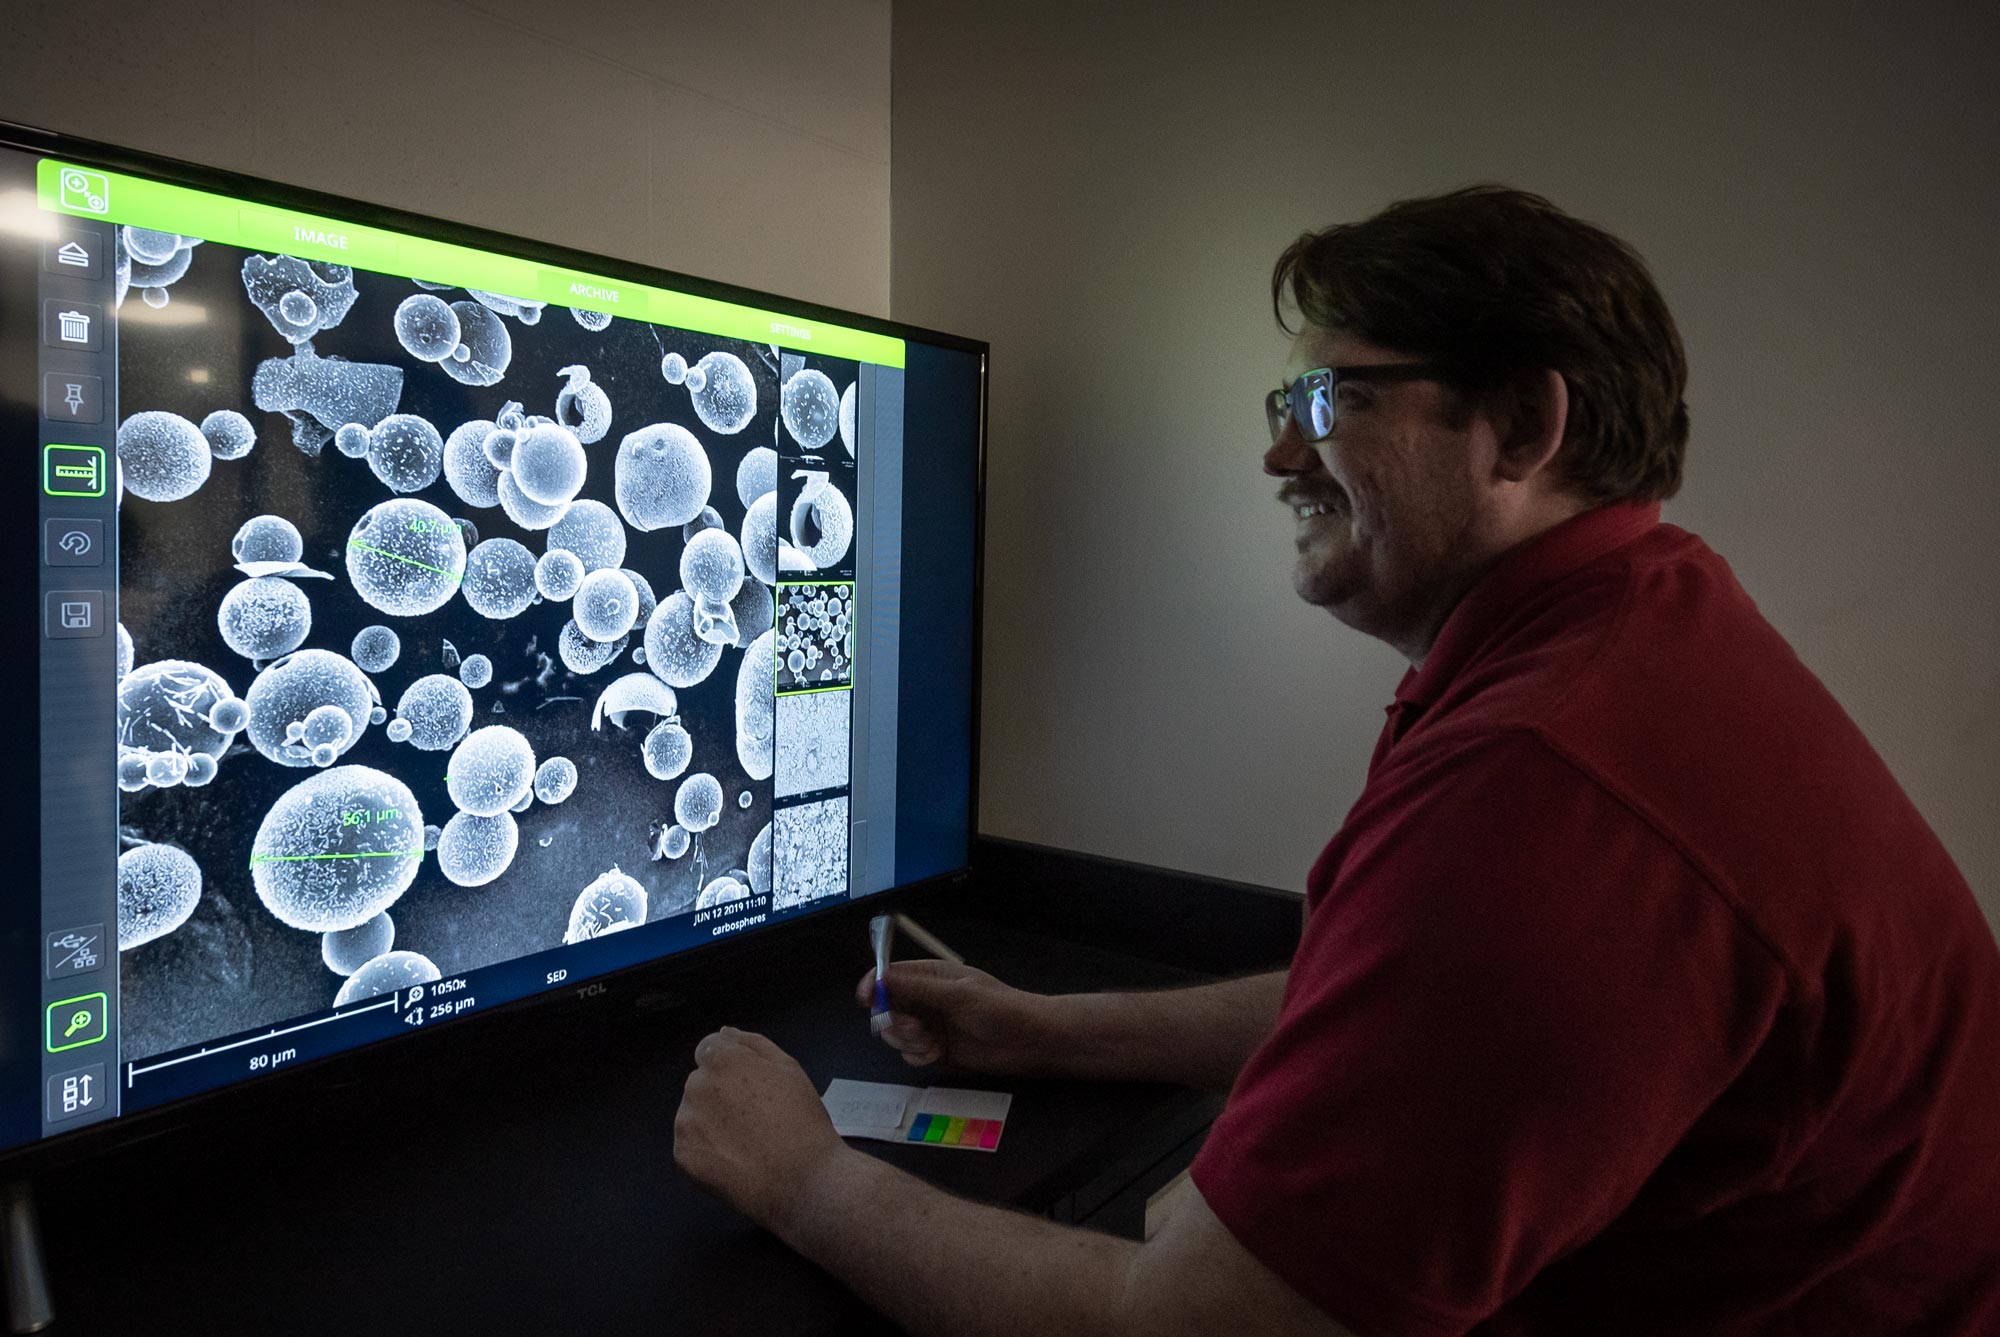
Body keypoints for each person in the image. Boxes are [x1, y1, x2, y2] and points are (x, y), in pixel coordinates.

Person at [673, 186, 2000, 1335]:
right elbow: (1401, 1000)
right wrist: (1054, 1030)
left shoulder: (1557, 779)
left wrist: (802, 1176)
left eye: (1329, 398)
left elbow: (1199, 1327)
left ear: (1523, 428)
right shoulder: (1635, 627)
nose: (1279, 451)